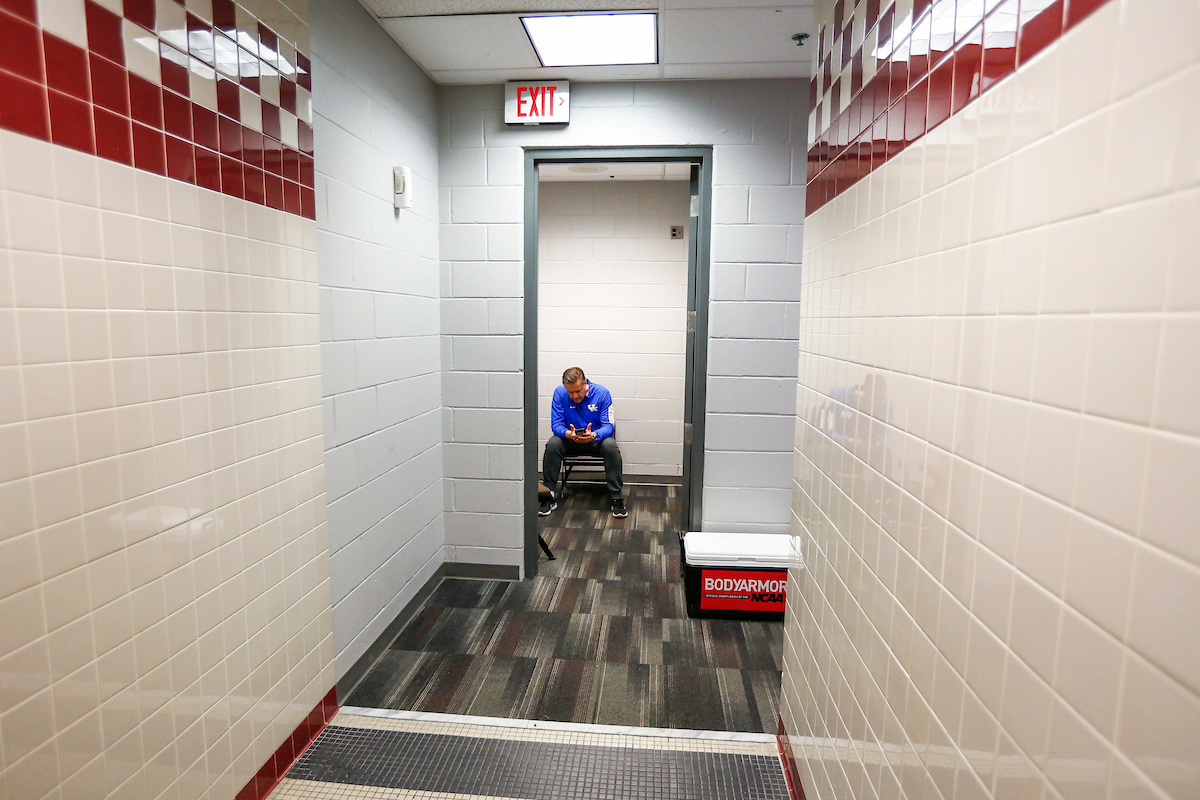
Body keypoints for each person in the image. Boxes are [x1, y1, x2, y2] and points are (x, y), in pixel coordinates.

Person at [540, 367, 626, 518]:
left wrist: (593, 435)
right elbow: (556, 425)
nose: (574, 396)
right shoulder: (559, 393)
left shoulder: (602, 393)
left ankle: (616, 497)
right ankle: (549, 495)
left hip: (595, 441)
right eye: (570, 392)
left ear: (585, 383)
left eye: (578, 391)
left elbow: (608, 426)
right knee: (553, 443)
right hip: (571, 440)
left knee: (610, 445)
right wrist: (569, 434)